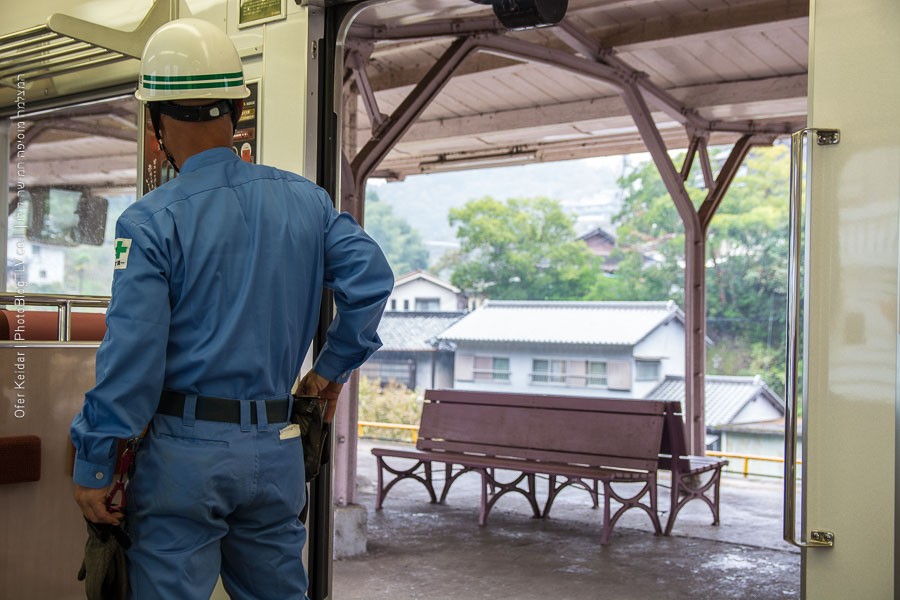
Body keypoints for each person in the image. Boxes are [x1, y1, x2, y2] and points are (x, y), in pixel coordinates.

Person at [70, 17, 393, 600]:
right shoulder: (308, 202)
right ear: (236, 111)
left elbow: (131, 357)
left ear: (156, 121)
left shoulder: (149, 221)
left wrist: (96, 462)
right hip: (279, 452)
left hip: (184, 459)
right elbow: (370, 282)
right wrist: (326, 372)